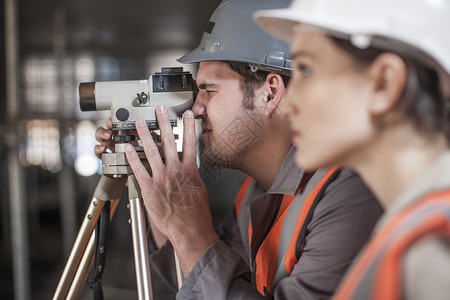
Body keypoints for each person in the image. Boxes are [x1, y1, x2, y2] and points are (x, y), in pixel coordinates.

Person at [95, 0, 383, 299]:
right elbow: (197, 281)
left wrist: (191, 232)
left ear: (269, 93)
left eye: (209, 90)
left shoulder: (350, 194)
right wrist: (151, 166)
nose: (196, 108)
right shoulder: (253, 193)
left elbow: (202, 264)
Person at [254, 0, 450, 299]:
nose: (288, 103)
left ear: (384, 83)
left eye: (306, 69)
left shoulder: (432, 250)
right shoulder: (410, 226)